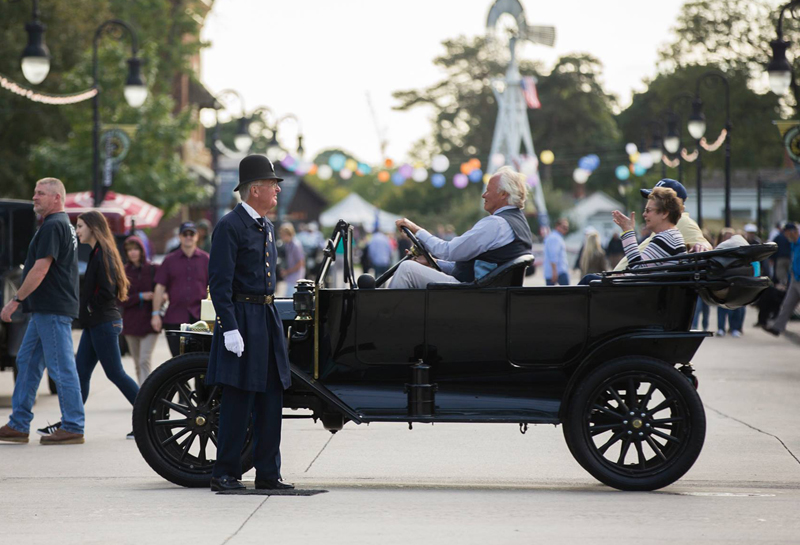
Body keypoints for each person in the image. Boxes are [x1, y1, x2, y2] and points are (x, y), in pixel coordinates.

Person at [206, 154, 293, 492]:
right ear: (254, 189)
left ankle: (268, 473)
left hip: (266, 318)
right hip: (242, 318)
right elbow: (220, 283)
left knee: (271, 398)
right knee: (238, 401)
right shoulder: (230, 226)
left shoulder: (266, 226)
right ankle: (225, 473)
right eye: (273, 185)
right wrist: (229, 327)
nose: (277, 192)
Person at [0, 178, 85, 445]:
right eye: (35, 192)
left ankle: (73, 425)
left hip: (52, 309)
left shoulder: (53, 225)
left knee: (61, 368)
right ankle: (19, 424)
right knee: (26, 363)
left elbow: (40, 269)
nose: (35, 197)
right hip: (45, 310)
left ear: (56, 198)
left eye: (40, 193)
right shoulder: (61, 225)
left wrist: (15, 300)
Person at [389, 166, 533, 289]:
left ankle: (386, 317)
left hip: (472, 293)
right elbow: (470, 268)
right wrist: (434, 262)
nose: (483, 195)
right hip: (489, 292)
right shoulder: (519, 223)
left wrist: (416, 229)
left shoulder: (497, 224)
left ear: (503, 194)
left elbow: (448, 251)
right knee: (411, 268)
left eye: (488, 190)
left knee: (406, 268)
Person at [68, 211, 139, 439]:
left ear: (92, 227)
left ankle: (151, 417)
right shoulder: (97, 251)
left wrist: (88, 308)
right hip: (95, 323)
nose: (77, 231)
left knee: (115, 373)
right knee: (81, 374)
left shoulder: (103, 253)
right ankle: (70, 423)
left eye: (79, 226)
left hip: (103, 322)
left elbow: (107, 290)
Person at [614, 179, 712, 271]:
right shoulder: (665, 231)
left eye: (649, 210)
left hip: (630, 286)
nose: (644, 214)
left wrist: (628, 231)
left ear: (666, 211)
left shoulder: (681, 222)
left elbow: (637, 269)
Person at [151, 221, 210, 357]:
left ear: (197, 236)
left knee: (200, 364)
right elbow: (159, 287)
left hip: (201, 320)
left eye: (191, 233)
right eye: (185, 234)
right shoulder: (169, 260)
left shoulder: (206, 259)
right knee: (177, 364)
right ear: (180, 236)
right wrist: (155, 314)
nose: (188, 237)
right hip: (174, 318)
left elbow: (213, 288)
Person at [120, 236, 159, 385]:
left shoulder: (153, 269)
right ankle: (142, 393)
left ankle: (146, 394)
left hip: (150, 322)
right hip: (131, 323)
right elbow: (120, 299)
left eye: (135, 249)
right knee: (137, 362)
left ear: (142, 250)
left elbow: (162, 291)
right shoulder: (123, 271)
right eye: (129, 250)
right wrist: (141, 296)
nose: (133, 253)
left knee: (144, 360)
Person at [765, 222, 800, 337]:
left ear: (793, 232)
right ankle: (778, 327)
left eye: (787, 233)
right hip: (795, 278)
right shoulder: (793, 245)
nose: (786, 236)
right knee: (787, 303)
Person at [278, 223, 305, 297]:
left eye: (283, 234)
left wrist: (287, 271)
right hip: (290, 277)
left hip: (295, 277)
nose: (281, 236)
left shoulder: (296, 245)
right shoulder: (288, 244)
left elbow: (300, 263)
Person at [544, 218, 570, 286]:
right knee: (568, 294)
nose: (566, 229)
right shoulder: (555, 238)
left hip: (556, 271)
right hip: (558, 271)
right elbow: (553, 255)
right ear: (557, 226)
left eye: (567, 227)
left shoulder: (555, 237)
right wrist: (554, 272)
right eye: (564, 227)